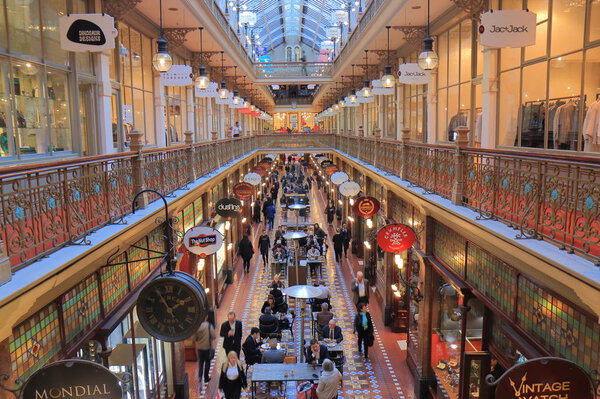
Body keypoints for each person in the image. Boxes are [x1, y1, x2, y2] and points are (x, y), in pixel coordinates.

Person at [193, 319, 215, 385]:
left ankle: (200, 377)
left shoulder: (196, 327)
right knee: (208, 362)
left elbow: (194, 338)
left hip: (200, 348)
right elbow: (213, 336)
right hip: (207, 347)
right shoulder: (209, 325)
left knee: (201, 362)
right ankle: (206, 377)